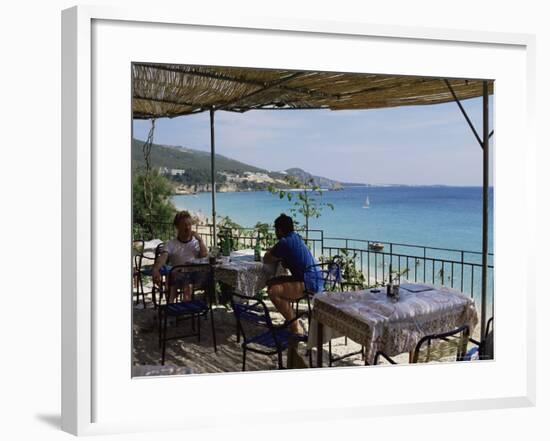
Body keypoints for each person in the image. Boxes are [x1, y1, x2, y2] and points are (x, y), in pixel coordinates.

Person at [263, 214, 322, 334]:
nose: (275, 232)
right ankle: (290, 318)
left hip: (308, 283)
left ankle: (295, 326)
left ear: (279, 229)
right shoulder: (295, 237)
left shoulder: (285, 242)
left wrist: (272, 250)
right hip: (315, 277)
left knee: (273, 292)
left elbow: (266, 259)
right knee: (272, 282)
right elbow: (285, 262)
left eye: (275, 229)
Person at [153, 211, 208, 302]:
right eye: (184, 225)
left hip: (196, 276)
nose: (188, 228)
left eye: (189, 225)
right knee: (179, 278)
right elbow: (163, 258)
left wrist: (200, 240)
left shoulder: (195, 242)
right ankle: (180, 306)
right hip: (179, 276)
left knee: (208, 275)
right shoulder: (171, 244)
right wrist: (156, 269)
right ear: (177, 227)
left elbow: (204, 256)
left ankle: (183, 306)